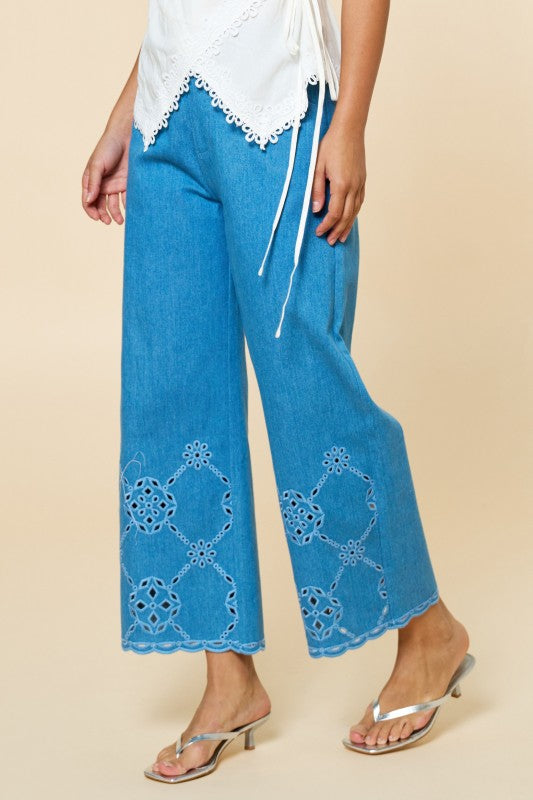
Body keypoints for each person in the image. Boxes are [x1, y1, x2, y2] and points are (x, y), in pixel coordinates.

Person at [81, 0, 475, 781]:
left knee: (306, 385)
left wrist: (349, 126)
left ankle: (429, 632)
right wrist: (123, 118)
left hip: (280, 106)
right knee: (171, 395)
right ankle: (228, 682)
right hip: (166, 118)